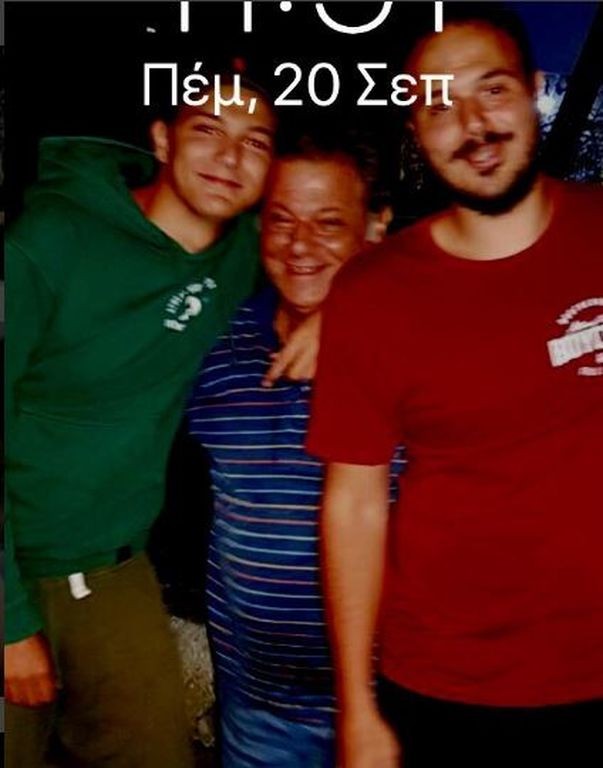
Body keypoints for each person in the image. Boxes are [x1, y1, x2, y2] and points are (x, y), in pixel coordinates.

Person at [306, 4, 603, 768]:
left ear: (532, 89)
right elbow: (352, 505)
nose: (471, 124)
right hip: (446, 686)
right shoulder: (372, 294)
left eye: (491, 89)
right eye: (439, 104)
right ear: (415, 127)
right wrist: (357, 708)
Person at [4, 77, 312, 768]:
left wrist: (334, 309)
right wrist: (9, 623)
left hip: (110, 565)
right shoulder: (49, 242)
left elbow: (350, 247)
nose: (229, 159)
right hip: (12, 562)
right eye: (208, 130)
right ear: (163, 140)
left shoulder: (245, 251)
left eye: (254, 143)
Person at [186, 130, 402, 767]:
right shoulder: (218, 349)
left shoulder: (420, 350)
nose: (300, 245)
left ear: (377, 226)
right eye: (281, 220)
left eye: (328, 223)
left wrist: (357, 311)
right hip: (259, 711)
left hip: (396, 702)